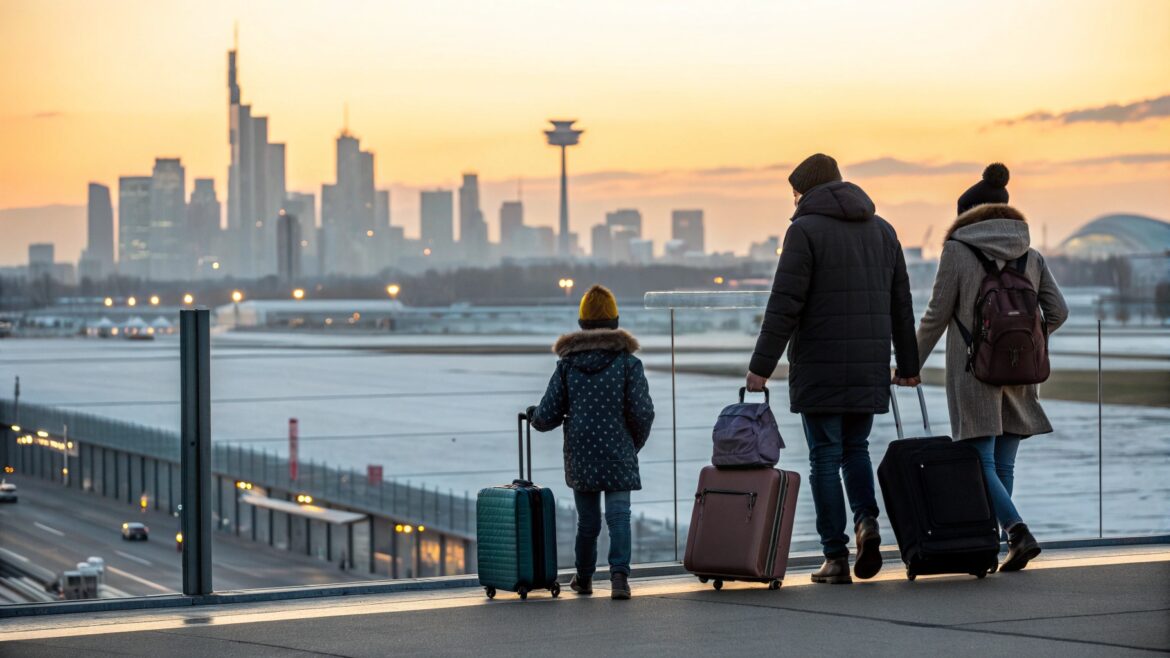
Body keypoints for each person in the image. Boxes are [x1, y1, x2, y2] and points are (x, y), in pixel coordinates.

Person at [746, 153, 920, 585]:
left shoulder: (803, 232)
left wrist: (759, 368)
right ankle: (867, 521)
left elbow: (784, 306)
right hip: (868, 368)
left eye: (794, 192)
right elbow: (901, 306)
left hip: (819, 367)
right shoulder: (884, 232)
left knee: (824, 456)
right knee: (855, 449)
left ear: (806, 190)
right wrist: (910, 365)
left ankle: (835, 557)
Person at [916, 163, 1068, 572]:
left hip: (973, 372)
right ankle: (1003, 543)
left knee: (977, 460)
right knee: (1003, 464)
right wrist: (1027, 340)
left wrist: (910, 364)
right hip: (1021, 371)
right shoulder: (1030, 254)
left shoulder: (957, 251)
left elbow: (936, 313)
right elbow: (1058, 310)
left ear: (968, 214)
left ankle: (1015, 531)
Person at [528, 284, 654, 600]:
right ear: (615, 321)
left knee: (588, 522)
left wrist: (533, 415)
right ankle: (619, 579)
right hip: (617, 450)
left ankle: (583, 578)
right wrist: (631, 444)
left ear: (582, 324)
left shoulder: (568, 365)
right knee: (619, 516)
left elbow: (547, 417)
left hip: (581, 452)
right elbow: (643, 412)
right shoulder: (628, 364)